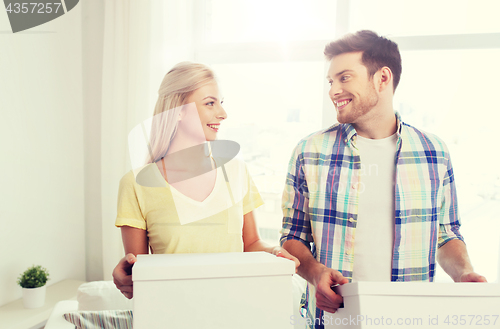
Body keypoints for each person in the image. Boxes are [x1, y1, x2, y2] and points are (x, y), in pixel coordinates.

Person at [280, 30, 486, 329]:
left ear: (382, 78)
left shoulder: (433, 151)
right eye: (331, 81)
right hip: (335, 319)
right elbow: (292, 237)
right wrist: (314, 272)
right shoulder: (310, 152)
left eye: (344, 77)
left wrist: (463, 272)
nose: (333, 90)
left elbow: (445, 233)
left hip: (409, 318)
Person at [113, 62, 299, 299]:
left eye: (221, 103)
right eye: (210, 103)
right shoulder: (136, 184)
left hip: (234, 309)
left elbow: (251, 243)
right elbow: (138, 277)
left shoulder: (236, 172)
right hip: (171, 314)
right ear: (177, 111)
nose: (222, 114)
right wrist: (125, 277)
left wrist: (275, 252)